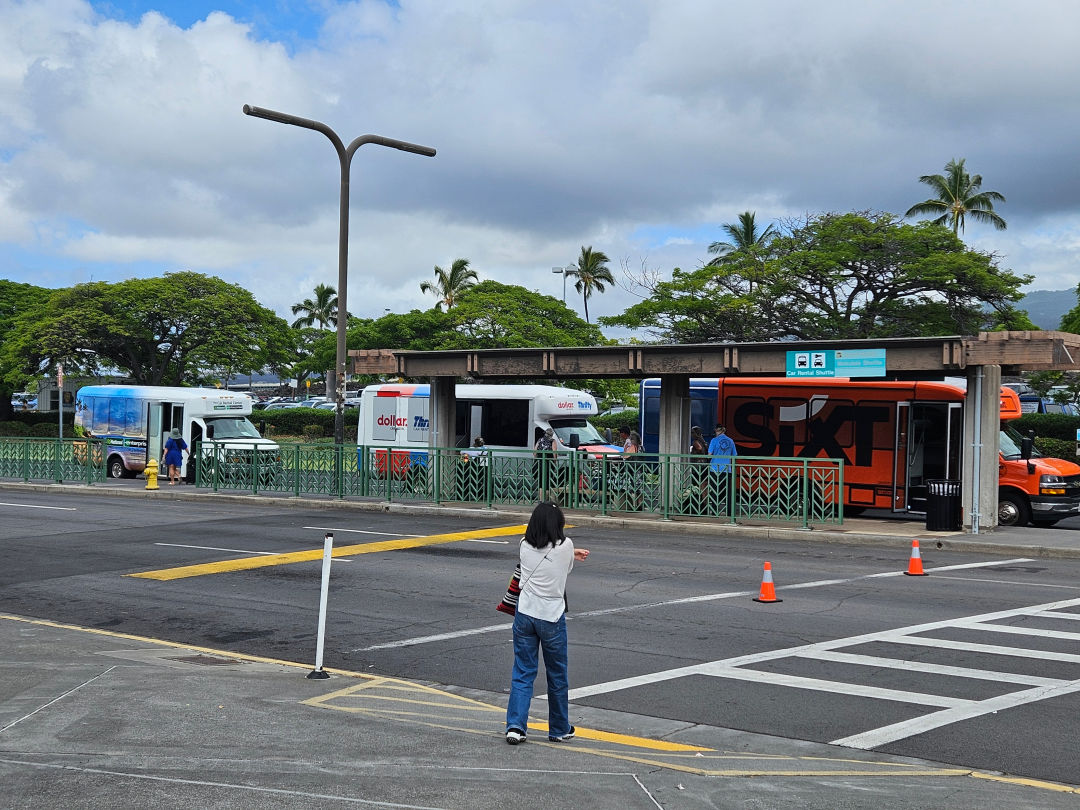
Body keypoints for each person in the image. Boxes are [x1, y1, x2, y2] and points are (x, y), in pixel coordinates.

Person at [505, 501, 589, 745]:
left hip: (524, 615)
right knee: (556, 674)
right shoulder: (567, 545)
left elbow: (544, 552)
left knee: (523, 671)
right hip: (551, 617)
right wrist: (572, 553)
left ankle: (515, 727)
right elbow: (563, 564)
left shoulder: (523, 545)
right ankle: (559, 728)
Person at [708, 423, 737, 506]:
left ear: (716, 430)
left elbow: (709, 455)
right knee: (728, 492)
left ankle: (714, 511)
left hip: (714, 468)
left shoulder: (714, 440)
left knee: (714, 491)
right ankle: (729, 512)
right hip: (727, 469)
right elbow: (734, 455)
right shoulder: (731, 441)